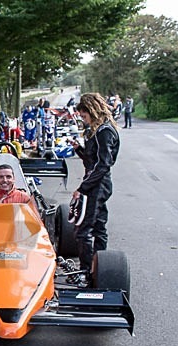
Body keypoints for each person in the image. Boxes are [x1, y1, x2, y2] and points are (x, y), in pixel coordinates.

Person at [68, 93, 120, 286]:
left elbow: (102, 165)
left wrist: (82, 188)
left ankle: (87, 272)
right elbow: (94, 161)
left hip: (97, 184)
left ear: (91, 110)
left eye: (84, 115)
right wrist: (79, 149)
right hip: (98, 182)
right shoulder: (100, 130)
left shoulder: (104, 132)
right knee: (98, 226)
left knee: (83, 229)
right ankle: (97, 270)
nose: (83, 119)